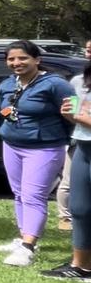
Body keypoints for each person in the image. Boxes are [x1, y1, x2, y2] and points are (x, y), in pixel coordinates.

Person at [0, 40, 75, 267]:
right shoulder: (8, 84)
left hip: (44, 148)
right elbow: (6, 108)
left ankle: (28, 248)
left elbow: (75, 113)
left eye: (22, 58)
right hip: (11, 143)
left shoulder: (56, 84)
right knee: (19, 193)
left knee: (33, 195)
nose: (16, 63)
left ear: (37, 60)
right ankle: (24, 238)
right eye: (11, 59)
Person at [43, 60, 91, 283]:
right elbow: (79, 113)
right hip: (83, 146)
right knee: (80, 209)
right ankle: (81, 266)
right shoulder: (81, 80)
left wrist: (81, 118)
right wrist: (71, 116)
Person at [54, 38, 91, 231]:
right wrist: (72, 116)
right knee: (70, 183)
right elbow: (73, 113)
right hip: (80, 141)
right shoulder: (78, 81)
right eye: (87, 50)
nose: (89, 54)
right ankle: (66, 218)